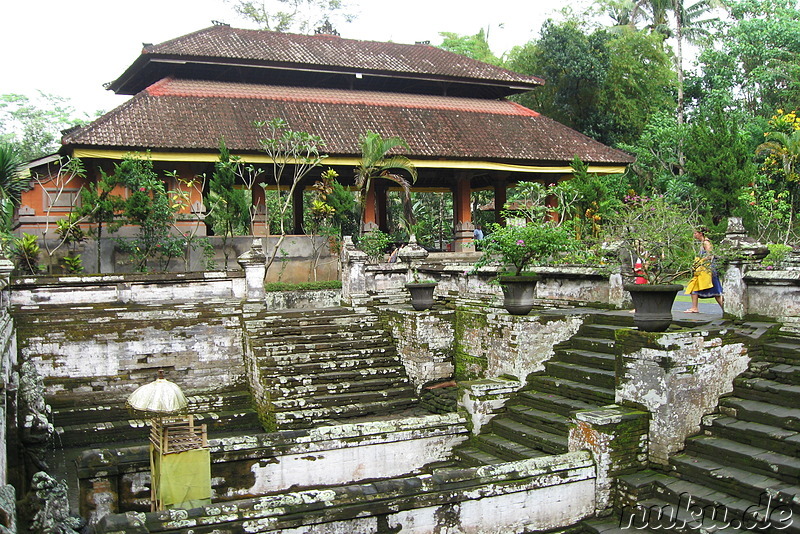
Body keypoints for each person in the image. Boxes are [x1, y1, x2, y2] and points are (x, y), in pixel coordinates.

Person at [683, 227, 724, 313]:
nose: (694, 235)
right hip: (702, 269)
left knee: (716, 291)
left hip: (707, 269)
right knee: (693, 286)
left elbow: (710, 255)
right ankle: (694, 307)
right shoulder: (702, 243)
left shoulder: (706, 242)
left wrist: (701, 260)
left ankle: (726, 310)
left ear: (700, 233)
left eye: (695, 233)